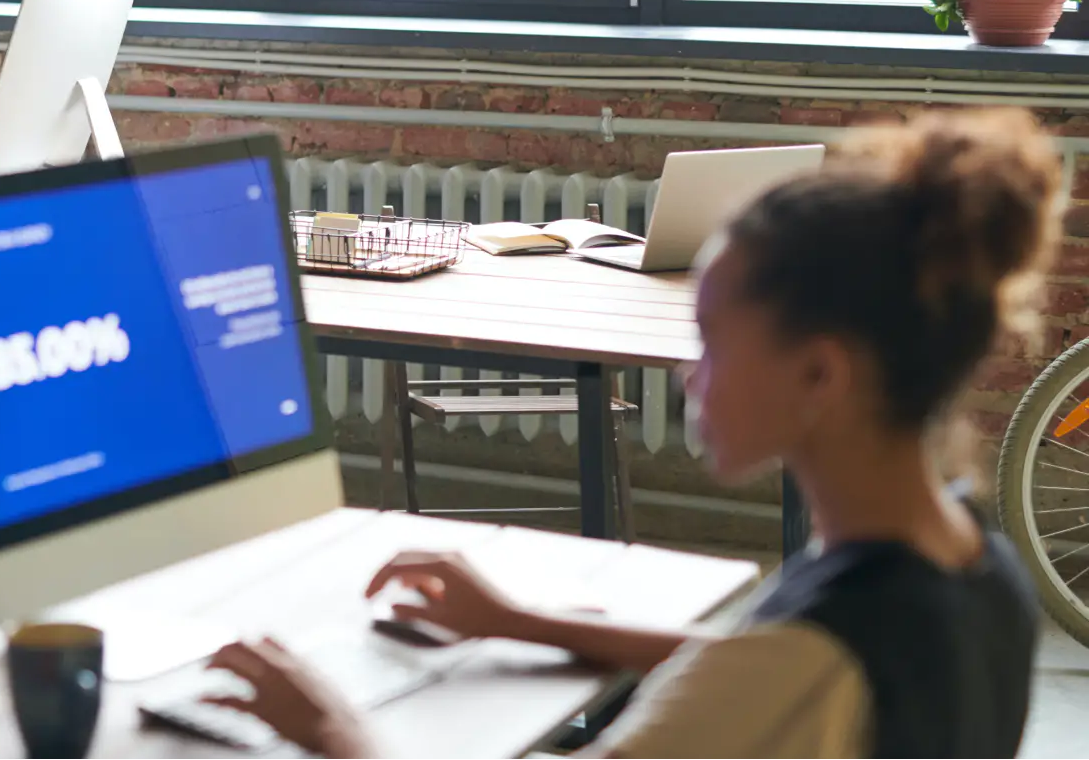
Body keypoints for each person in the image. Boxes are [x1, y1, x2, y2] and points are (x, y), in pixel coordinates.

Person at [207, 109, 1055, 760]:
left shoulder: (800, 667)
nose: (690, 374)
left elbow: (773, 672)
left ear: (819, 376)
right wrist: (524, 620)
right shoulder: (974, 560)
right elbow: (754, 662)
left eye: (713, 345)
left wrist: (329, 728)